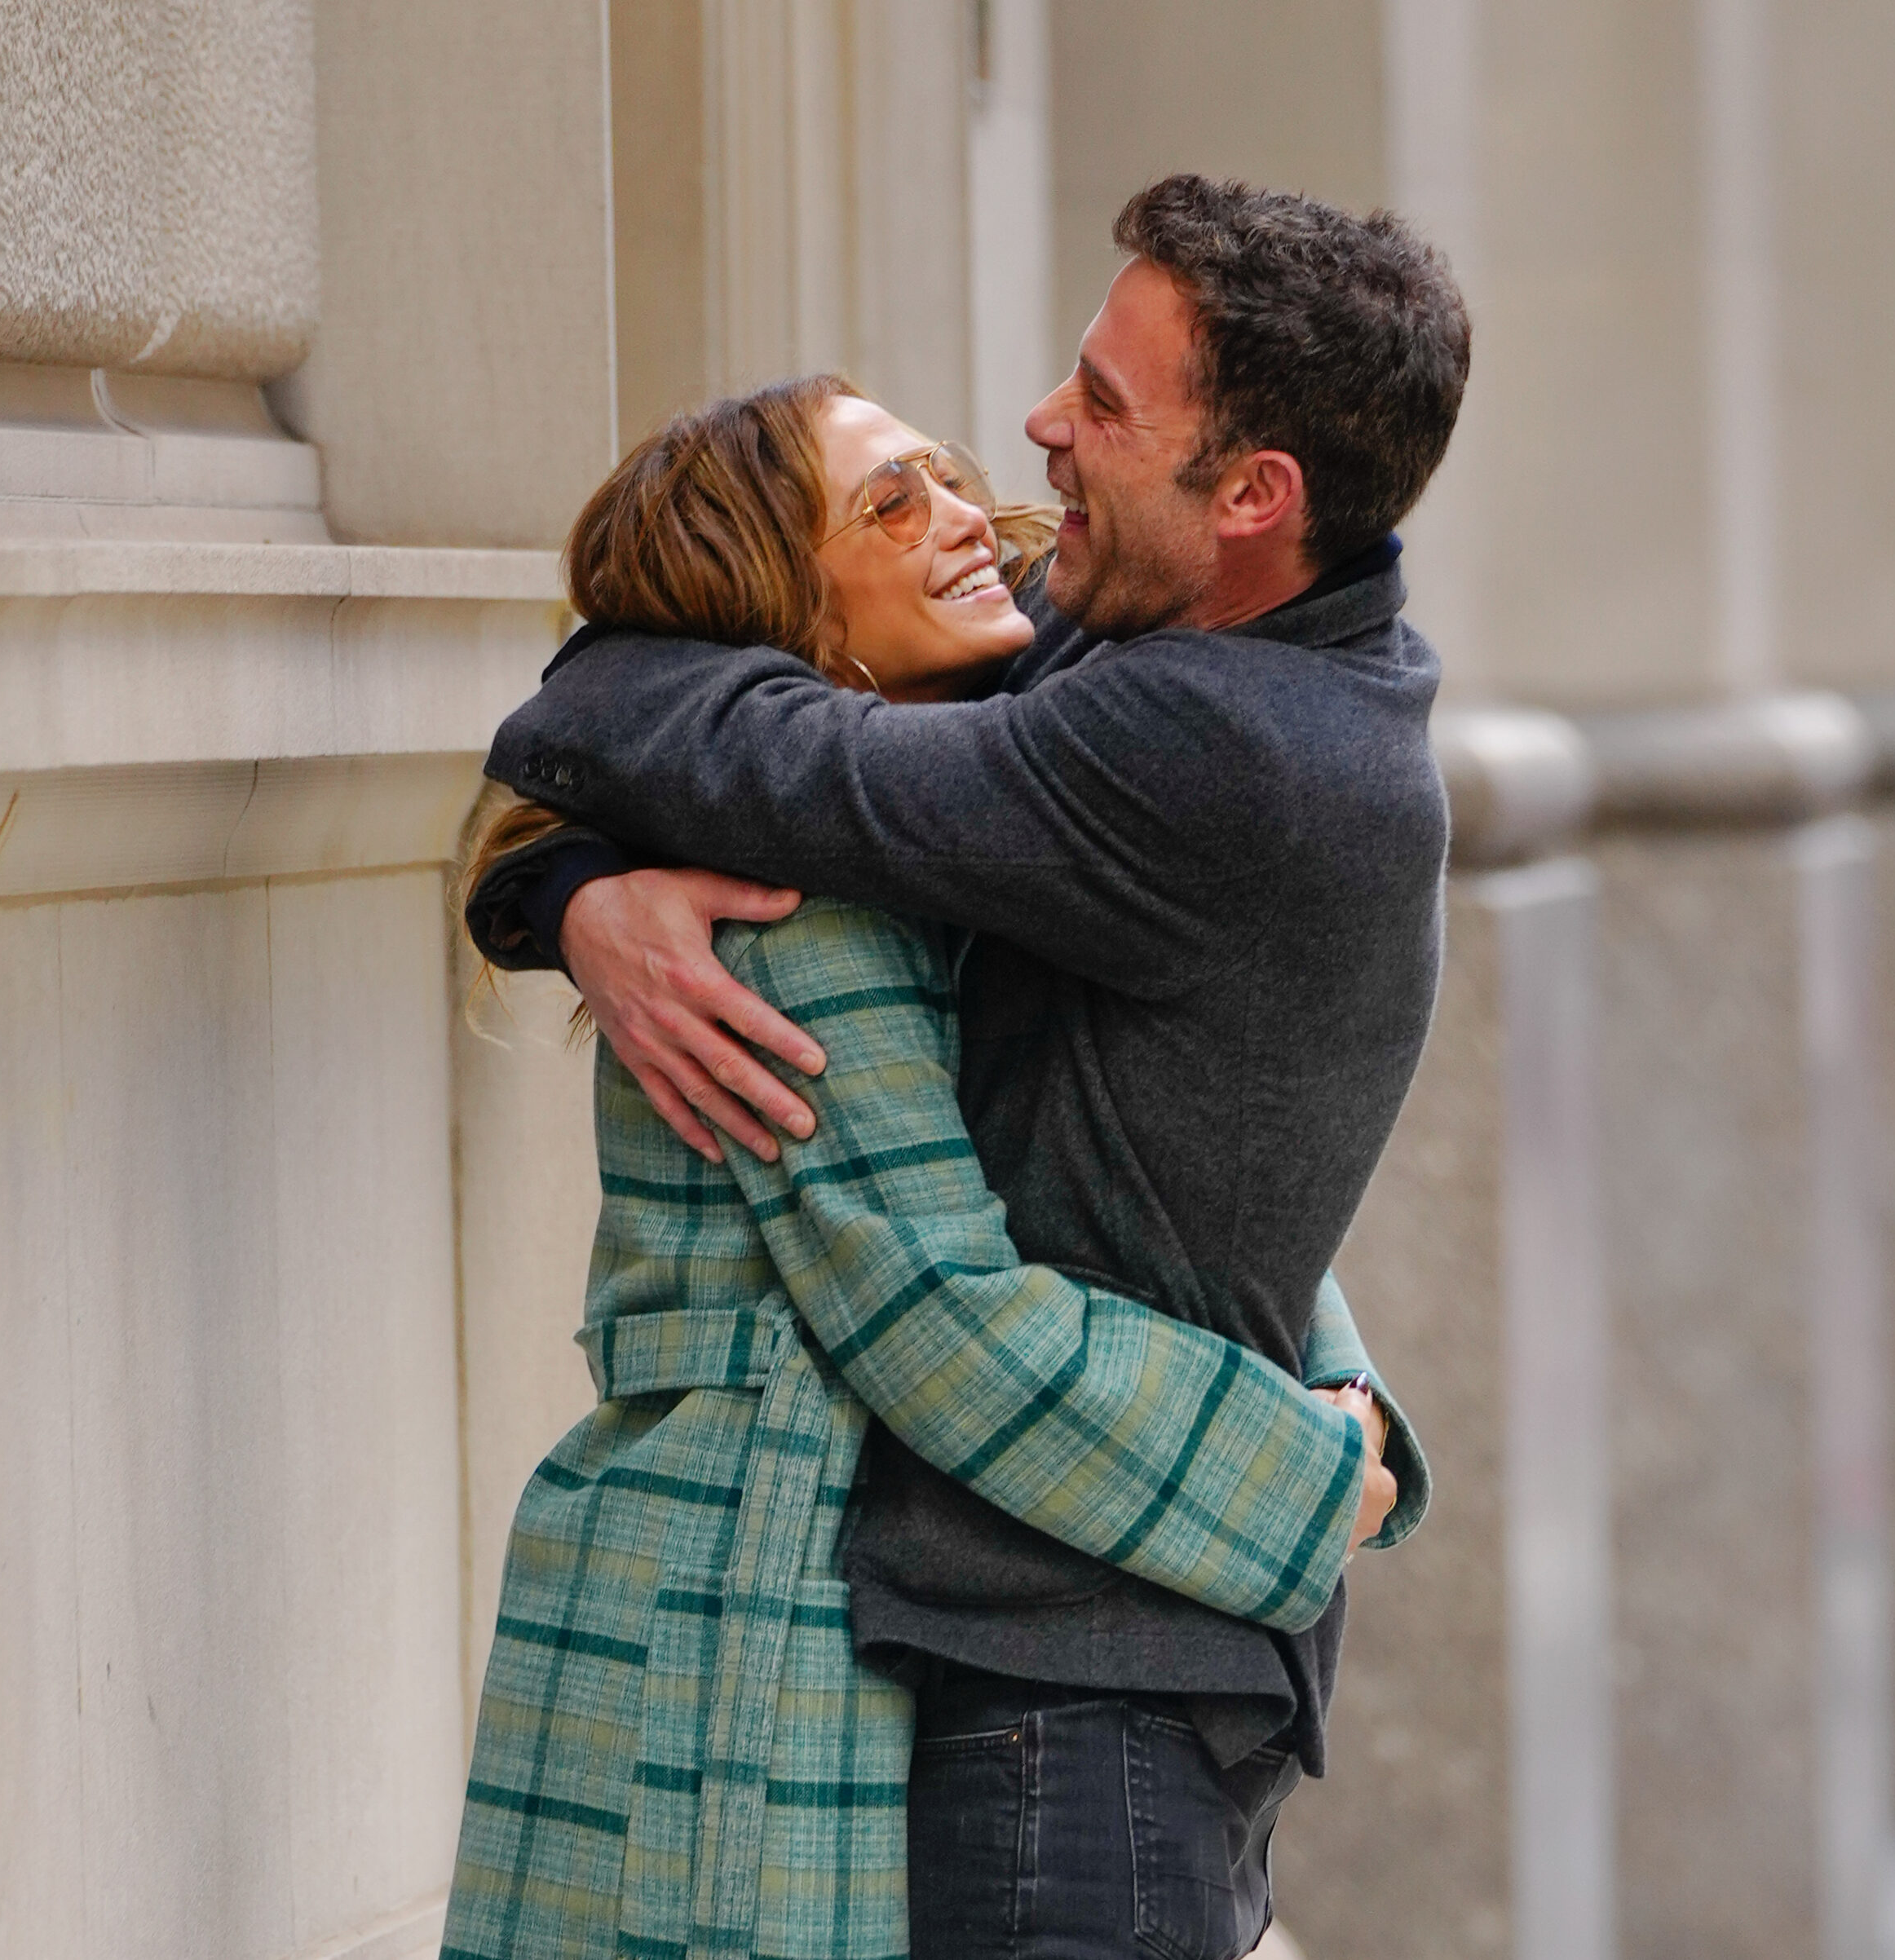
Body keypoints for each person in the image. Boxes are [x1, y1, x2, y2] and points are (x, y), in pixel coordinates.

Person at [468, 174, 1466, 1958]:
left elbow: (943, 1306)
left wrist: (1335, 1459)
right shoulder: (1164, 632)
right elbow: (633, 668)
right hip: (1044, 1639)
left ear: (1254, 496)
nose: (1030, 442)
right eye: (897, 488)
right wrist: (572, 886)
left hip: (1069, 1684)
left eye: (1100, 406)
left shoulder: (1200, 739)